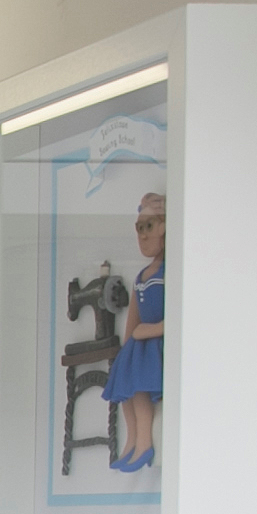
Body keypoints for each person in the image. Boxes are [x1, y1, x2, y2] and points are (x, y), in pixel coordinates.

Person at [104, 191, 166, 474]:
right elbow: (133, 320)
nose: (142, 235)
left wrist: (149, 331)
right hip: (141, 344)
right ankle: (131, 440)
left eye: (149, 227)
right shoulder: (141, 277)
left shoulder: (169, 273)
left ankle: (145, 443)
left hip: (156, 346)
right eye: (139, 228)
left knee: (138, 385)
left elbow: (177, 316)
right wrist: (125, 352)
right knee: (126, 385)